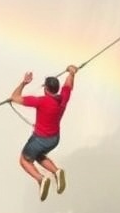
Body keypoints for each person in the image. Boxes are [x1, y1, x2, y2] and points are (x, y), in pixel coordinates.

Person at [10, 65, 77, 201]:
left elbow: (14, 97)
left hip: (40, 140)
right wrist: (72, 72)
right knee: (38, 155)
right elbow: (68, 85)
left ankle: (41, 180)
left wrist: (24, 83)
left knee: (24, 160)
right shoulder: (63, 98)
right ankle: (56, 172)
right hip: (54, 139)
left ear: (46, 89)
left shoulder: (41, 101)